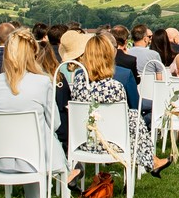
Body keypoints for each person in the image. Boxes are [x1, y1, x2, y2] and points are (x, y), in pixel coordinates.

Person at [0, 28, 79, 198]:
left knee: (34, 138)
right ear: (32, 54)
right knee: (43, 138)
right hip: (34, 158)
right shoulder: (42, 82)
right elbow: (56, 123)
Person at [68, 34, 173, 180]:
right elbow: (134, 108)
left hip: (83, 141)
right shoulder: (115, 86)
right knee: (133, 117)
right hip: (114, 143)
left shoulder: (79, 80)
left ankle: (153, 161)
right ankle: (151, 161)